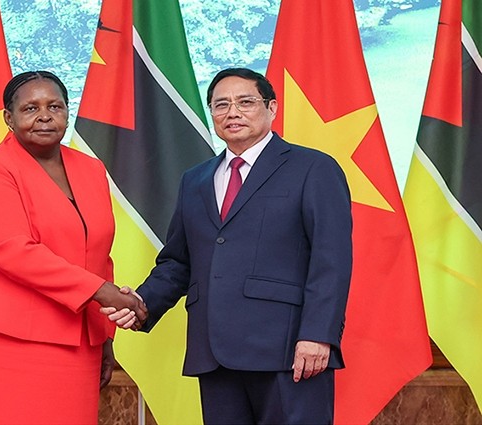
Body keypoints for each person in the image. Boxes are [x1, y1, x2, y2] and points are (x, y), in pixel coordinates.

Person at [104, 68, 352, 424]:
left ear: (272, 108)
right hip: (214, 352)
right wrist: (143, 303)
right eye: (221, 105)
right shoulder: (196, 179)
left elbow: (332, 260)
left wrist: (317, 335)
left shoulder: (313, 168)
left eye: (245, 102)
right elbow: (178, 261)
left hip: (287, 350)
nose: (232, 112)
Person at [0, 70, 147, 425]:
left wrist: (104, 335)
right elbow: (10, 249)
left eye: (55, 106)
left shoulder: (90, 168)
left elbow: (97, 253)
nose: (45, 116)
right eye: (30, 108)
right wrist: (103, 293)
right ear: (9, 118)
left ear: (68, 112)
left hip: (76, 340)